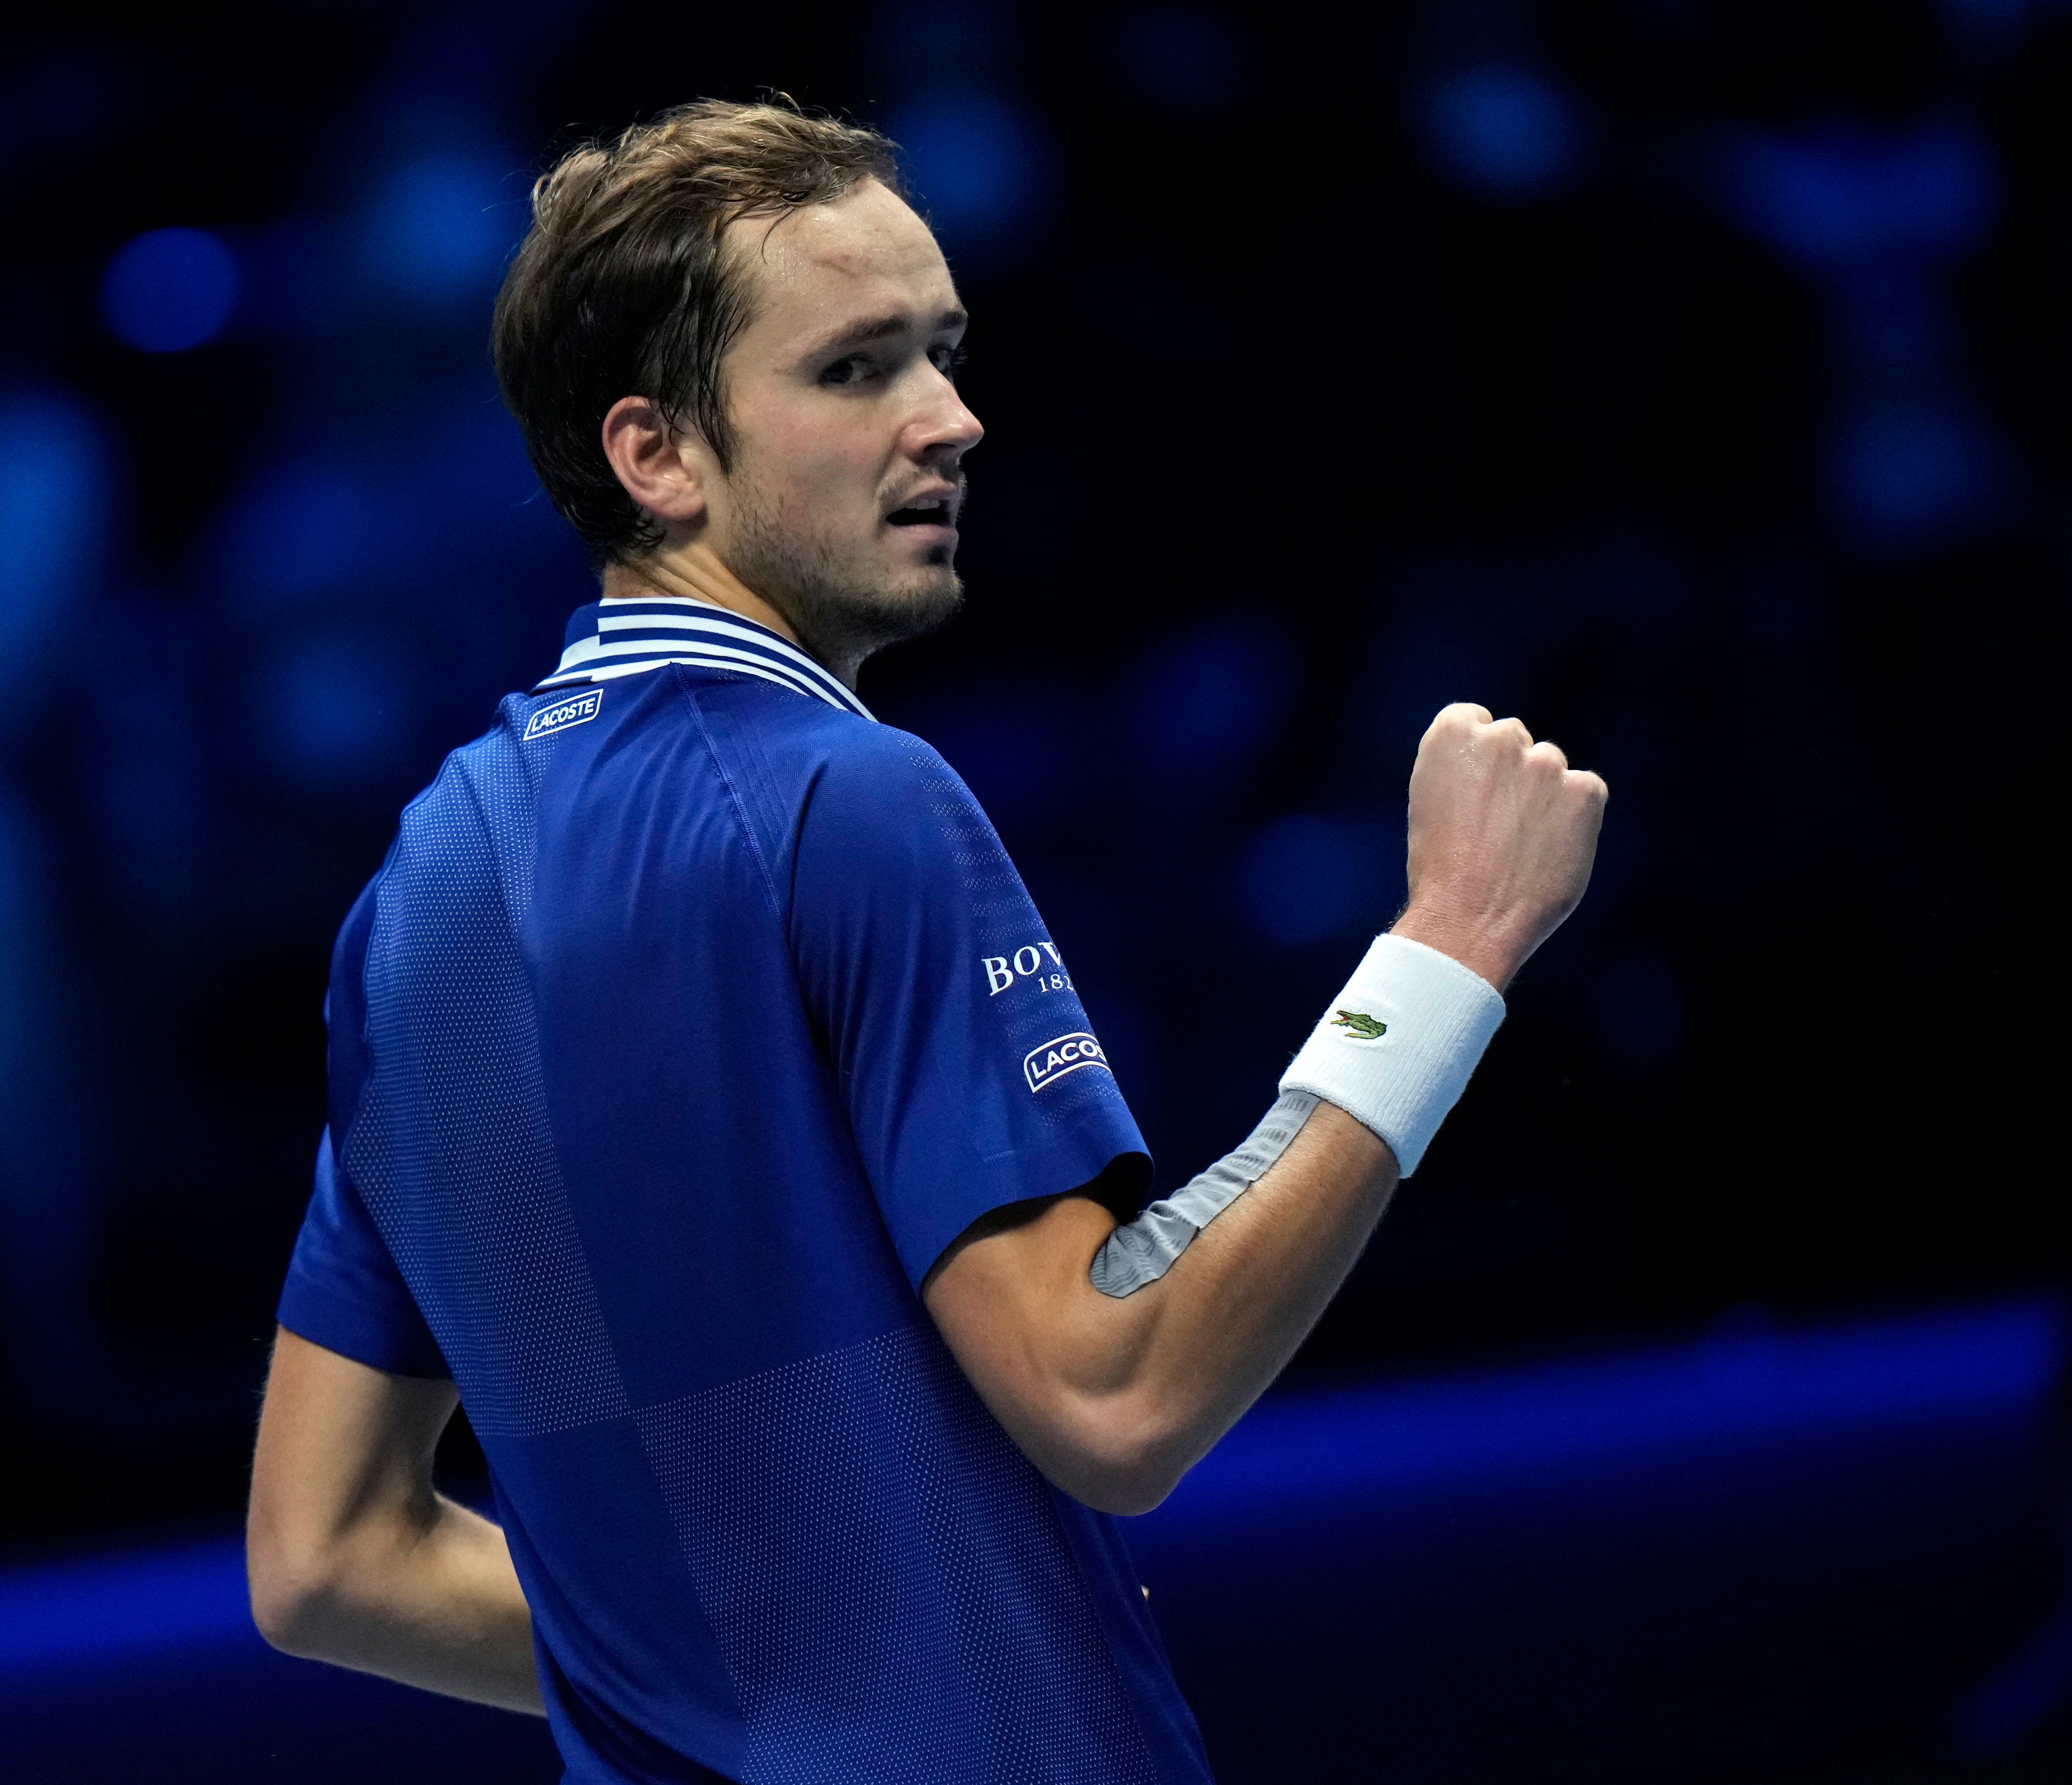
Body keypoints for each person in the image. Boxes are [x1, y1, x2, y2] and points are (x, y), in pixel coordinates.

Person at [245, 98, 1605, 1782]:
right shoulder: (850, 799)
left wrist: (765, 1678)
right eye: (855, 370)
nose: (951, 421)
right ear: (651, 454)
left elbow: (325, 1562)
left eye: (942, 355)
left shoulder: (411, 900)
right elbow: (1110, 1394)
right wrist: (1446, 956)